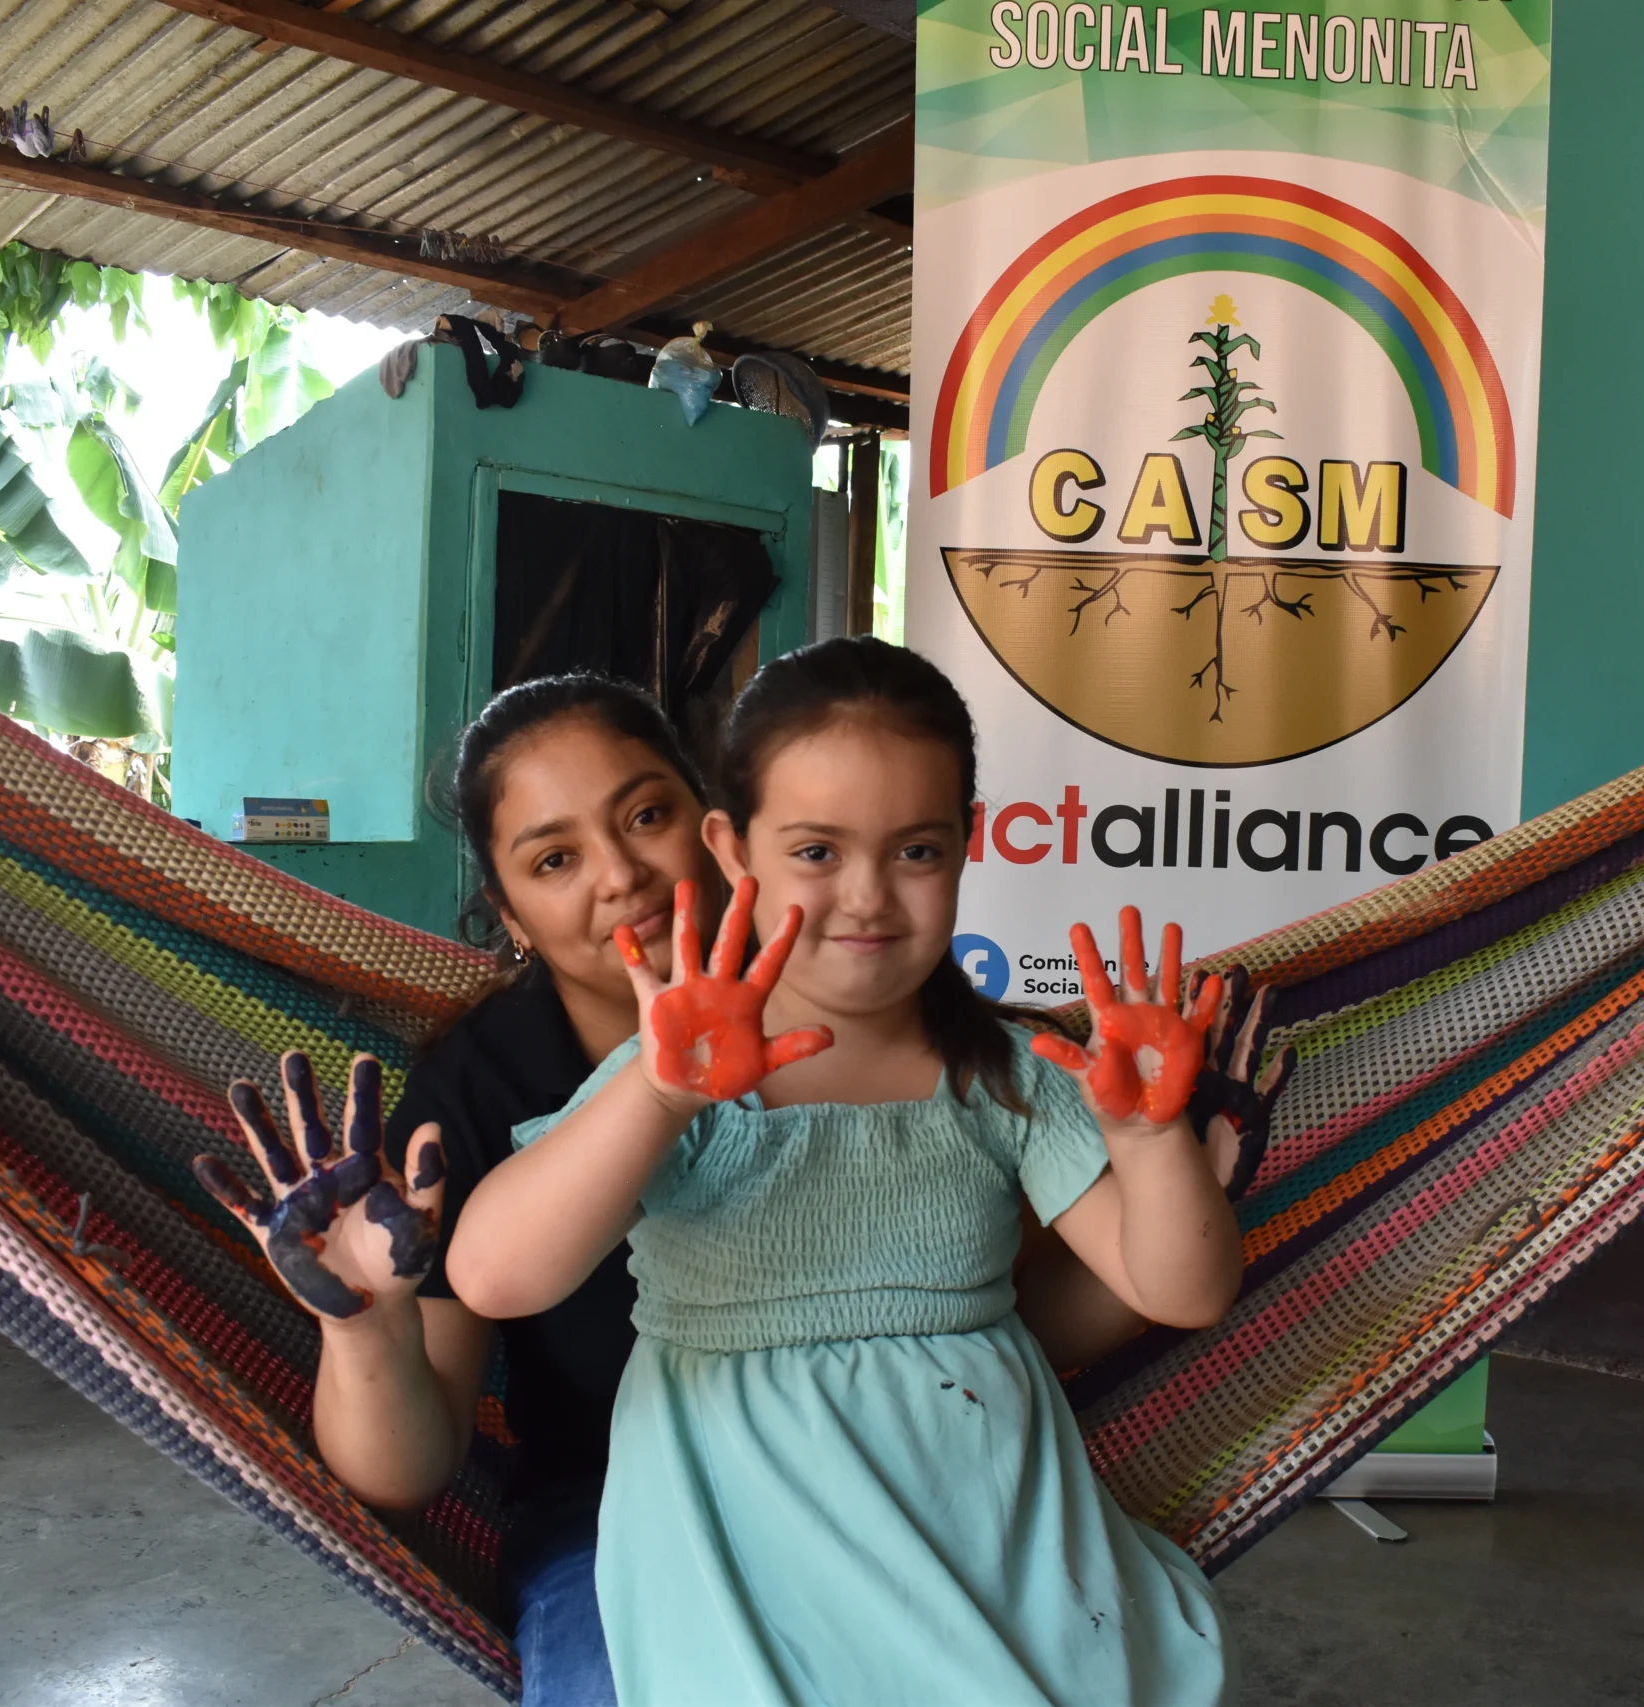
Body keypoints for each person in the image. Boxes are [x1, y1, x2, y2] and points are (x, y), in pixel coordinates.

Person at [445, 637, 1242, 1705]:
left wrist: (1151, 1144)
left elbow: (1181, 1289)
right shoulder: (681, 1073)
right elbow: (497, 1275)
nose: (866, 897)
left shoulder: (1008, 1075)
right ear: (734, 851)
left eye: (915, 851)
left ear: (965, 845)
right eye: (816, 852)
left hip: (978, 1531)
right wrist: (659, 1098)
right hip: (736, 1541)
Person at [194, 673, 723, 1707]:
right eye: (555, 859)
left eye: (648, 815)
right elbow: (408, 1472)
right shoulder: (479, 1091)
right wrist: (362, 1325)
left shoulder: (849, 1008)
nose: (620, 875)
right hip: (610, 1513)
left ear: (717, 827)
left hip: (872, 1474)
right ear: (510, 913)